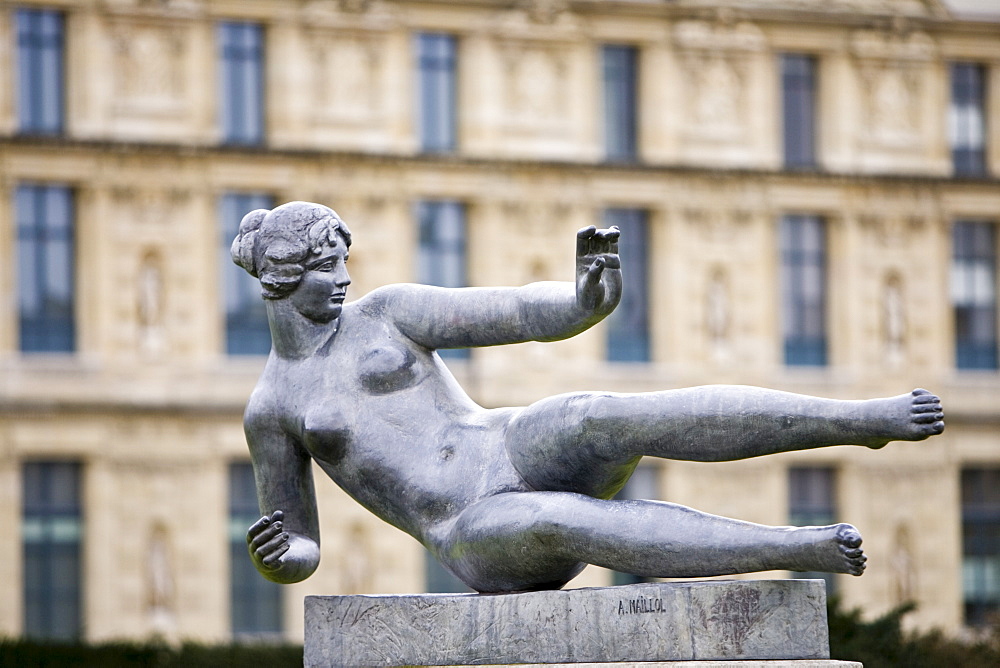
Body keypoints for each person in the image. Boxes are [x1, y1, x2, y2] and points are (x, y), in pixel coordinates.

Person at [233, 201, 945, 594]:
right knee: (561, 519)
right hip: (469, 525)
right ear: (278, 278)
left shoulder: (386, 312)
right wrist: (277, 556)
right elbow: (300, 543)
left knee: (601, 414)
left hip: (505, 442)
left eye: (344, 262)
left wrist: (581, 304)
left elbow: (511, 311)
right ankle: (796, 547)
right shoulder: (272, 408)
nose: (344, 278)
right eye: (327, 268)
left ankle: (861, 420)